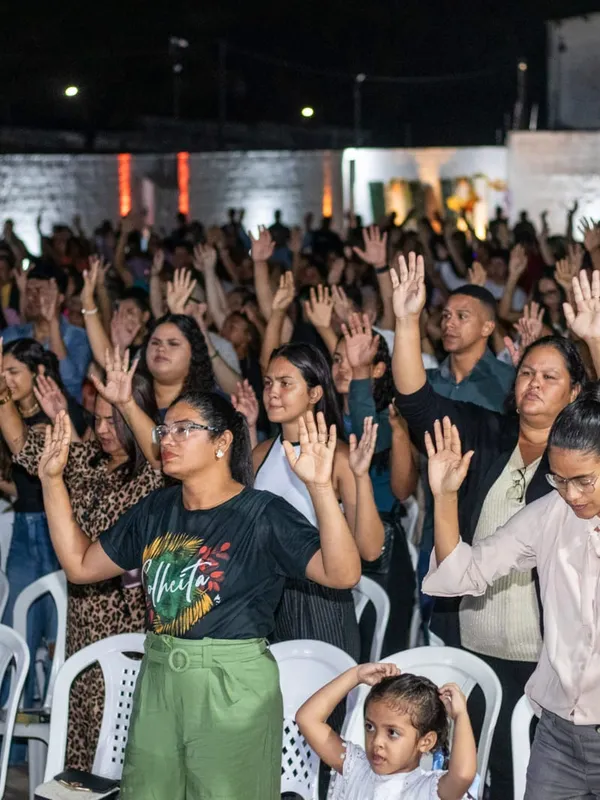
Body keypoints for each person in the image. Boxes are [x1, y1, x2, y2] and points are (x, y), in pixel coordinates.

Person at [38, 395, 361, 800]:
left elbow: (344, 573)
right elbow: (81, 566)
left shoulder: (262, 514)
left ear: (222, 442)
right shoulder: (156, 509)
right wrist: (52, 482)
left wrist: (318, 486)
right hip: (159, 677)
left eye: (184, 429)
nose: (167, 440)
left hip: (231, 686)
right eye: (164, 430)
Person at [390, 254, 591, 800]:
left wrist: (592, 339)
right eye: (526, 371)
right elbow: (415, 401)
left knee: (527, 776)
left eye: (550, 377)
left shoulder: (582, 463)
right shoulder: (487, 432)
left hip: (545, 655)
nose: (533, 383)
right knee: (476, 770)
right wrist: (407, 321)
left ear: (576, 393)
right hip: (473, 639)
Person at [422, 389, 600, 800]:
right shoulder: (550, 514)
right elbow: (462, 575)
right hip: (558, 738)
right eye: (559, 479)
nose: (571, 494)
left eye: (584, 480)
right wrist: (445, 497)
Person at [10, 360, 162, 770]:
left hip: (127, 619)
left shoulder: (152, 476)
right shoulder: (90, 463)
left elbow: (162, 453)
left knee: (120, 728)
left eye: (114, 421)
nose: (105, 430)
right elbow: (24, 446)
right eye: (98, 421)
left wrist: (125, 401)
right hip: (83, 613)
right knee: (81, 723)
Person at [254, 341, 384, 661]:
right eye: (269, 383)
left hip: (320, 599)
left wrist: (361, 476)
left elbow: (369, 549)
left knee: (320, 709)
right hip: (264, 595)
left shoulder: (338, 456)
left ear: (314, 394)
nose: (273, 392)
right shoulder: (259, 454)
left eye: (286, 384)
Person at [0, 338, 88, 713]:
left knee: (59, 633)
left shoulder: (63, 414)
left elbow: (82, 471)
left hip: (58, 530)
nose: (5, 379)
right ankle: (10, 741)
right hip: (24, 527)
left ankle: (60, 726)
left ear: (38, 373)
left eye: (11, 371)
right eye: (2, 372)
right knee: (15, 630)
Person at [296, 662, 477, 800]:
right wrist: (356, 674)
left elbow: (462, 775)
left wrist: (460, 716)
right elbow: (307, 719)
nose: (376, 742)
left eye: (392, 733)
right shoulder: (357, 768)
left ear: (425, 741)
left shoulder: (427, 789)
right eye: (370, 727)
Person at [2, 263, 91, 401]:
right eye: (28, 291)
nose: (31, 297)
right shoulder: (12, 335)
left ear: (59, 297)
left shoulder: (78, 336)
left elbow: (69, 382)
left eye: (39, 291)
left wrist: (53, 323)